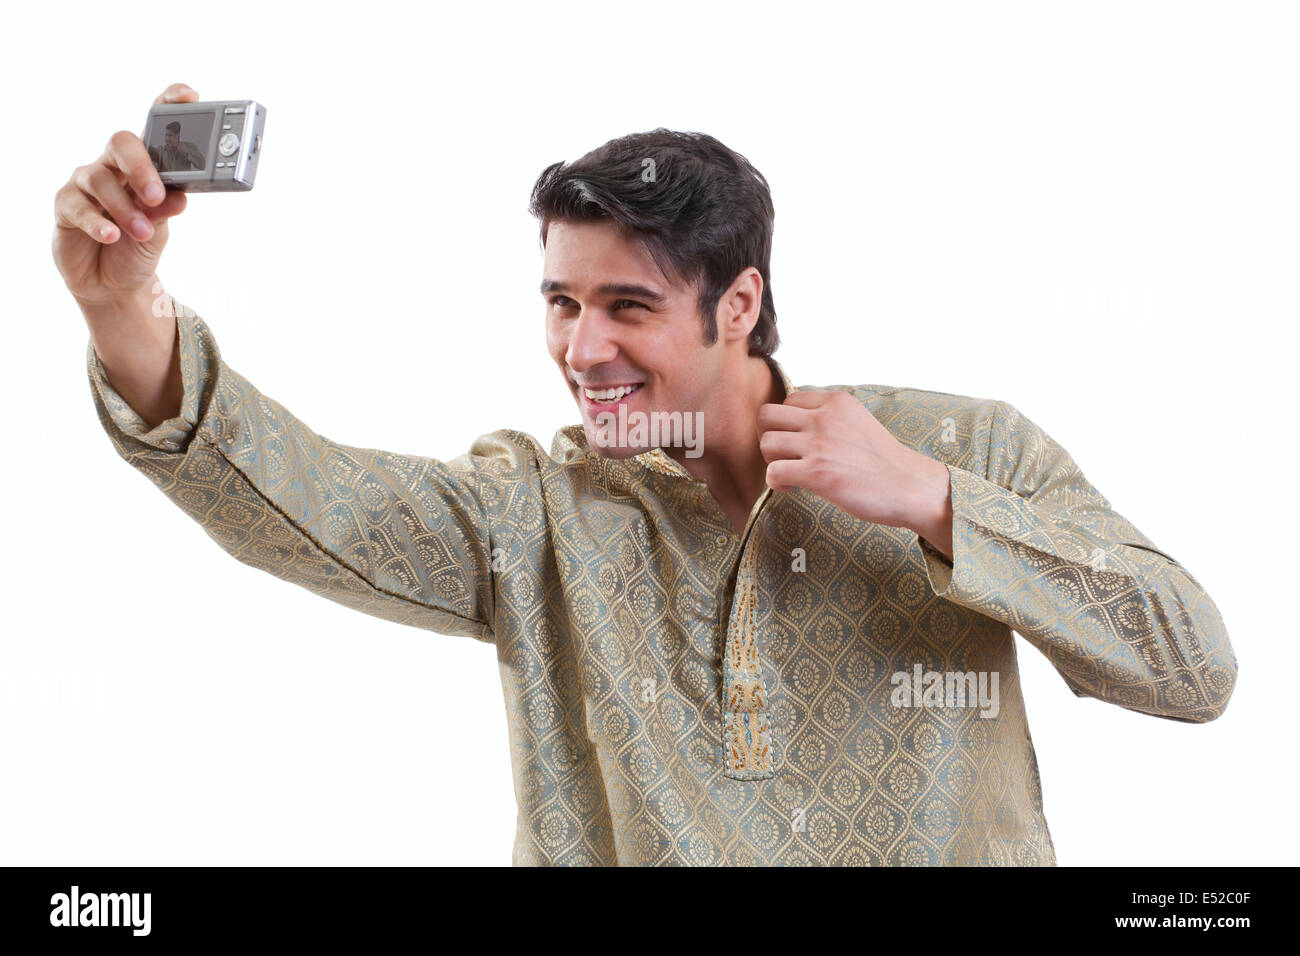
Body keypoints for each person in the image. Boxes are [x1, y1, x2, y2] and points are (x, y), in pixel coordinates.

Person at [52, 83, 1238, 866]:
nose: (581, 351)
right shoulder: (536, 511)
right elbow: (306, 499)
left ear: (740, 303)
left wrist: (932, 504)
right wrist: (124, 308)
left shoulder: (964, 448)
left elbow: (1192, 665)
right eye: (561, 304)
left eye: (627, 306)